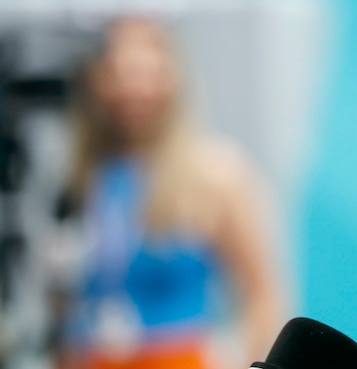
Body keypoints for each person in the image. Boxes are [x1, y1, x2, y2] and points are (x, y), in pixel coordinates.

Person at [56, 18, 284, 369]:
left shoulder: (215, 174)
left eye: (147, 73)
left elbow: (263, 297)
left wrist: (244, 361)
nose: (134, 88)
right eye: (118, 73)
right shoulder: (84, 175)